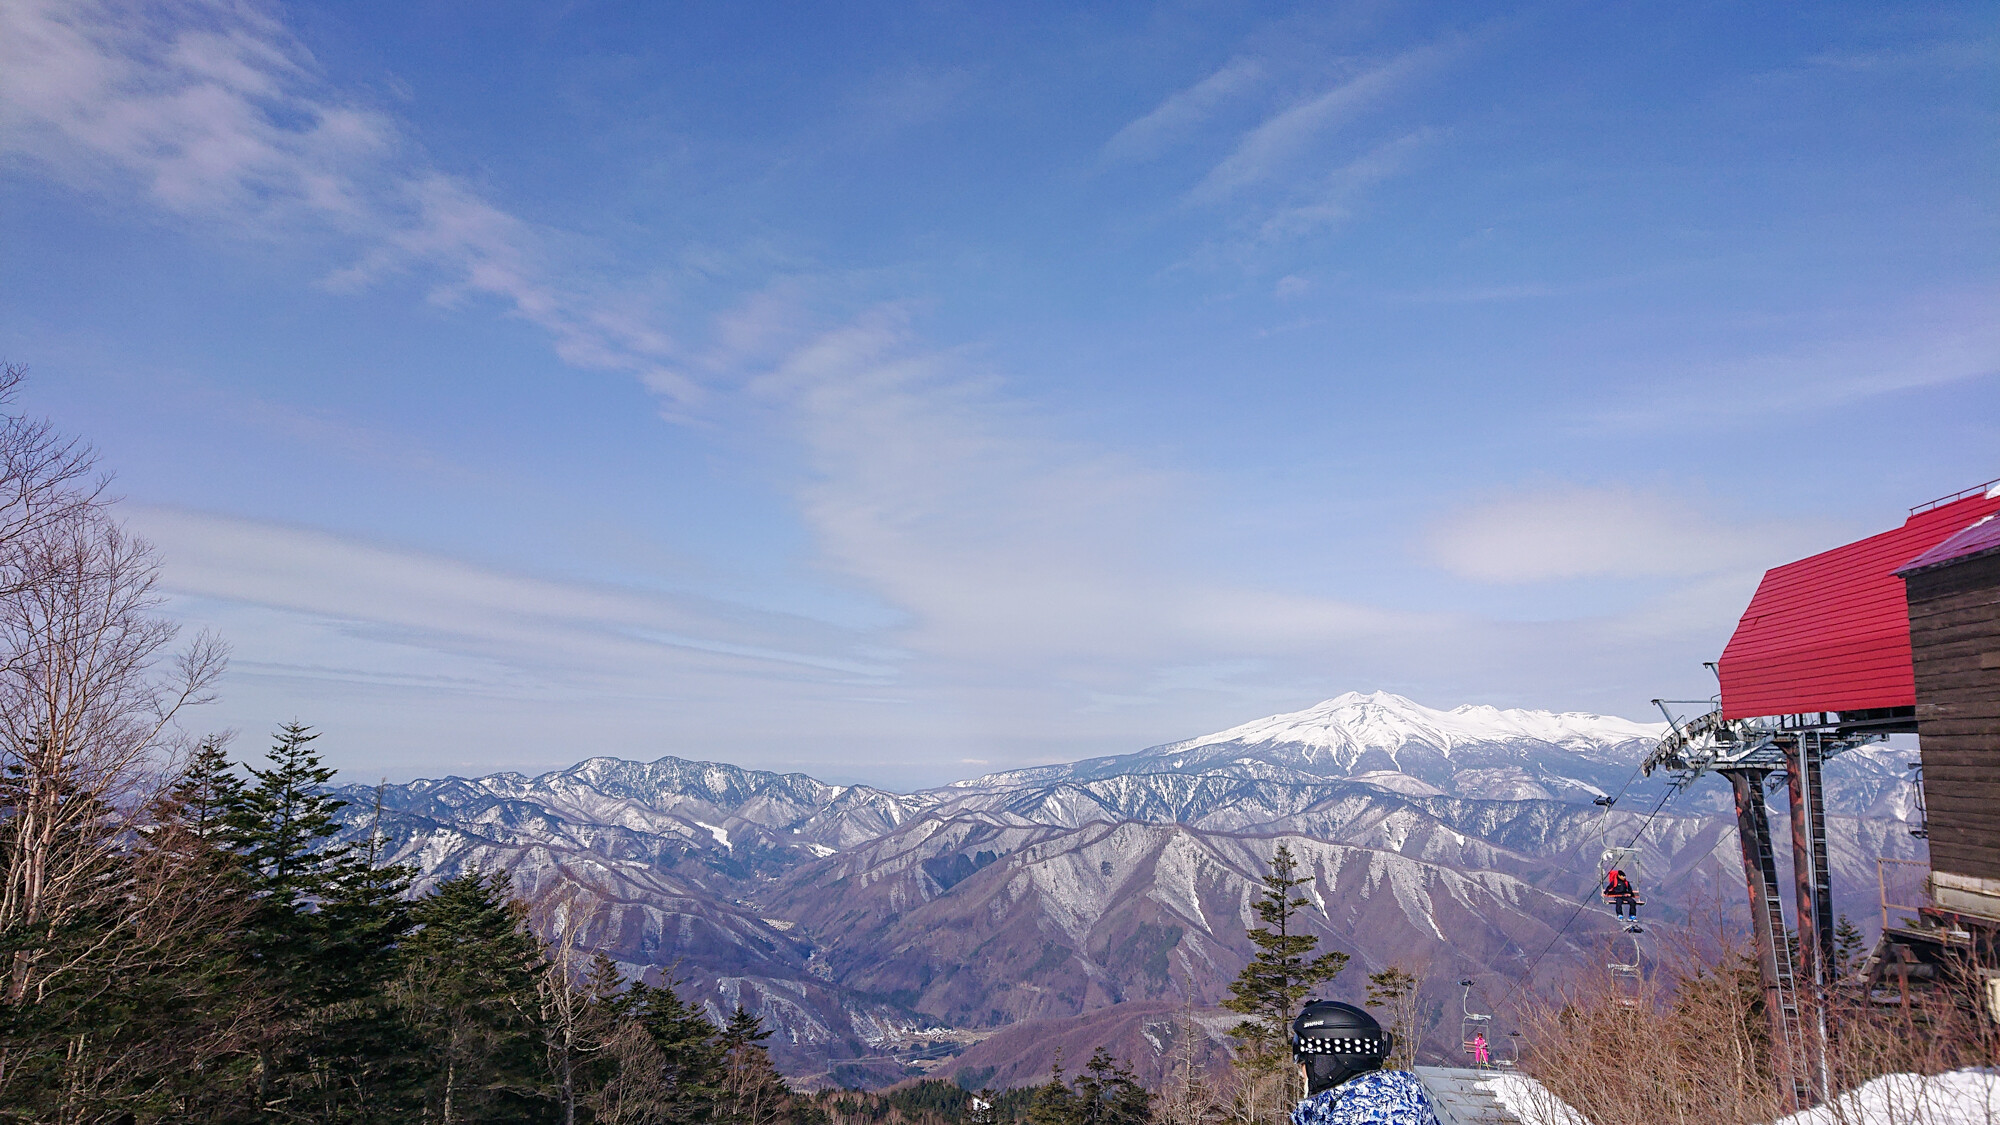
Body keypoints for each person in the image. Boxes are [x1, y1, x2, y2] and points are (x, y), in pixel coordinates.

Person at [1289, 1000, 1440, 1125]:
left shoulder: (1354, 1118)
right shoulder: (1403, 1103)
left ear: (1327, 1062)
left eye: (1303, 1061)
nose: (1302, 1073)